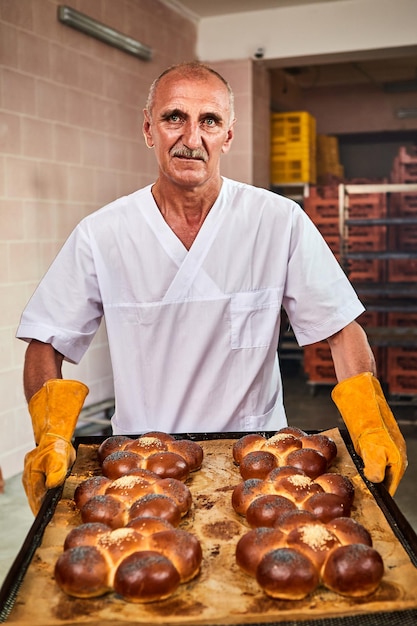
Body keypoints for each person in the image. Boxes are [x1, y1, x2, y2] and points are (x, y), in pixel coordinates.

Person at [17, 62, 407, 515]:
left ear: (228, 135)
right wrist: (50, 433)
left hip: (260, 462)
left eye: (209, 121)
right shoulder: (102, 233)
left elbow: (341, 329)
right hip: (142, 465)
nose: (191, 138)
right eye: (173, 118)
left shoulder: (277, 221)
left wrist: (369, 423)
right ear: (149, 129)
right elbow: (46, 340)